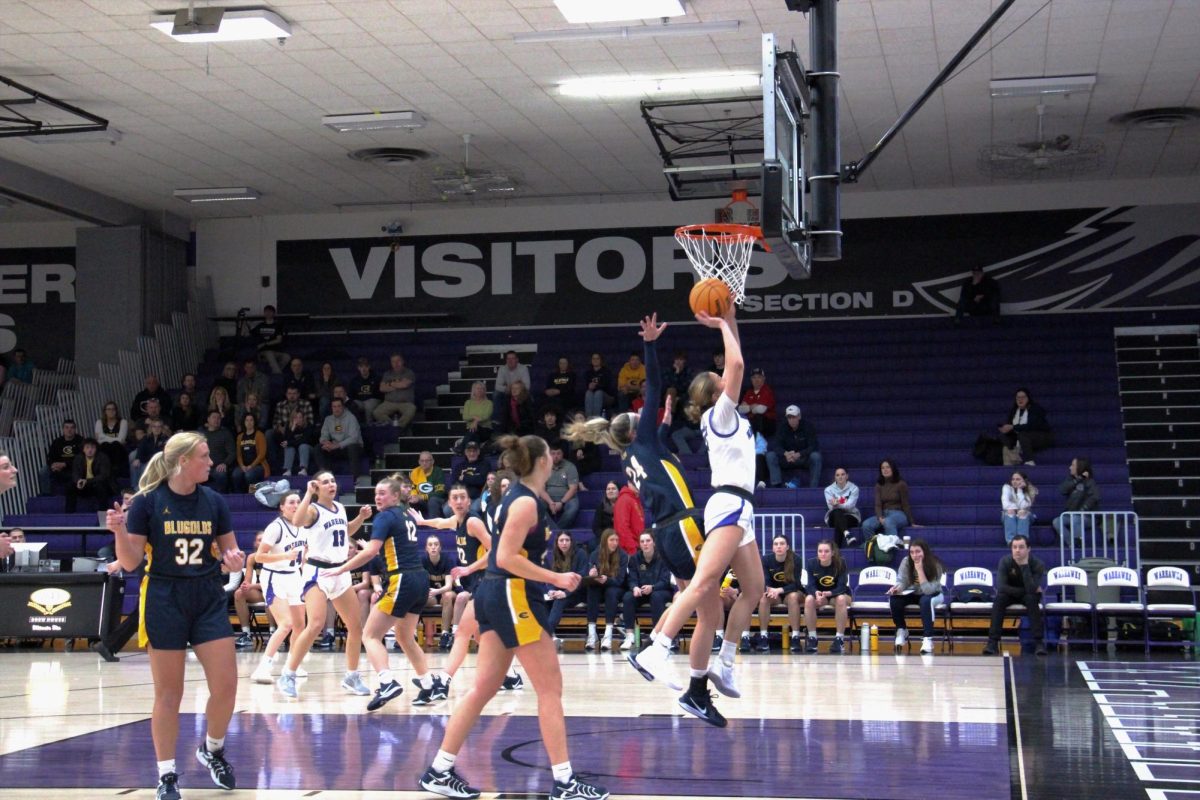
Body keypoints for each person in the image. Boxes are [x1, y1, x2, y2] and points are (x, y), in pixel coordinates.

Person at [417, 435, 606, 800]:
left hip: (496, 593)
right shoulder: (524, 503)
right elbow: (503, 557)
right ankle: (565, 782)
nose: (553, 458)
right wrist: (555, 578)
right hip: (511, 594)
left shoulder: (518, 497)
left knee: (484, 687)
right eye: (549, 454)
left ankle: (439, 769)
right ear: (540, 462)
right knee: (550, 689)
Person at [626, 307, 761, 729]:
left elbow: (737, 357)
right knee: (703, 586)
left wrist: (731, 316)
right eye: (722, 379)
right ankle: (658, 647)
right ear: (716, 391)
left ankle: (723, 662)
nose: (728, 376)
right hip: (722, 506)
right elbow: (736, 361)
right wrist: (720, 326)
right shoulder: (719, 415)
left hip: (741, 508)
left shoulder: (725, 417)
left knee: (753, 587)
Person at [104, 431, 245, 800]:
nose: (211, 462)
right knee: (170, 693)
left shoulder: (214, 501)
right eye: (204, 456)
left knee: (227, 685)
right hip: (164, 598)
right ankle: (166, 774)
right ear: (182, 461)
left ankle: (212, 750)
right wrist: (119, 531)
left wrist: (235, 561)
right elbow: (133, 561)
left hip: (207, 597)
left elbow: (232, 552)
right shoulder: (148, 503)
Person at [325, 476, 444, 710]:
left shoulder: (385, 517)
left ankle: (386, 682)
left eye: (383, 493)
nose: (377, 497)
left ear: (396, 496)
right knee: (405, 637)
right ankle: (429, 685)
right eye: (376, 493)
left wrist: (340, 568)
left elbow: (371, 552)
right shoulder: (405, 514)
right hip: (419, 579)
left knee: (369, 635)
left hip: (403, 579)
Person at [419, 482, 522, 698]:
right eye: (454, 497)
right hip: (479, 582)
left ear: (468, 501)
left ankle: (444, 682)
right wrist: (421, 521)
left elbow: (495, 551)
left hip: (487, 580)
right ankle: (511, 675)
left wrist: (469, 568)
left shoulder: (473, 521)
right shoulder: (457, 520)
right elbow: (440, 522)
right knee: (478, 634)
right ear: (449, 502)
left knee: (463, 632)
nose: (458, 501)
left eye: (462, 497)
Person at [276, 472, 373, 699]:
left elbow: (345, 531)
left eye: (333, 480)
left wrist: (360, 517)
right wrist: (308, 493)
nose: (331, 484)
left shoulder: (339, 507)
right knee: (316, 624)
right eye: (326, 482)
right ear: (317, 487)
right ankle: (288, 674)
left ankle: (351, 676)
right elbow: (296, 521)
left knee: (355, 626)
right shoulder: (312, 510)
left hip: (340, 571)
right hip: (317, 571)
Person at [248, 489, 310, 682]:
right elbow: (259, 556)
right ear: (282, 507)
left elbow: (304, 551)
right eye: (291, 502)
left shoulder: (304, 526)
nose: (295, 505)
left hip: (294, 576)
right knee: (286, 624)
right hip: (274, 577)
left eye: (298, 501)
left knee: (300, 625)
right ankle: (263, 668)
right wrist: (284, 556)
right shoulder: (276, 527)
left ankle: (292, 664)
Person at [982, 535, 1047, 656]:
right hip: (1010, 594)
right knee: (999, 599)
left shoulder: (1038, 564)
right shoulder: (1005, 561)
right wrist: (1027, 590)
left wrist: (1024, 566)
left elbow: (1032, 589)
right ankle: (992, 642)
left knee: (1032, 599)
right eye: (1014, 547)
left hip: (1028, 596)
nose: (1017, 550)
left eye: (1021, 547)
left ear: (1028, 549)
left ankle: (1039, 643)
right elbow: (1001, 587)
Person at [887, 539, 946, 654]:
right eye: (912, 552)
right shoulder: (906, 562)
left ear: (925, 552)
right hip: (915, 593)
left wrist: (919, 570)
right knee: (895, 599)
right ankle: (902, 629)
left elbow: (928, 590)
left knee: (925, 601)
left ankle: (928, 639)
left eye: (918, 551)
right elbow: (903, 581)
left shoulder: (935, 564)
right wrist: (897, 588)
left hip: (934, 594)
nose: (915, 555)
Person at [621, 531, 673, 651]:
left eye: (648, 541)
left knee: (656, 597)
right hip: (641, 592)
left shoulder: (663, 557)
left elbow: (666, 580)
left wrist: (653, 587)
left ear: (654, 543)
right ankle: (629, 636)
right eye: (642, 541)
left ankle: (657, 636)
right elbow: (631, 578)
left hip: (660, 590)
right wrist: (634, 587)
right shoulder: (634, 558)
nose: (645, 544)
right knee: (628, 597)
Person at [802, 539, 851, 653]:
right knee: (809, 599)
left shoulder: (841, 563)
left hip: (838, 594)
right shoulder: (811, 563)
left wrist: (830, 593)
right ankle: (813, 637)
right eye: (820, 551)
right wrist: (816, 593)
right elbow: (810, 585)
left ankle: (839, 638)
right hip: (821, 596)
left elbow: (842, 586)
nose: (823, 554)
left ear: (832, 553)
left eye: (826, 551)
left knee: (841, 599)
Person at [756, 535, 803, 653]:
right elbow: (765, 581)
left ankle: (796, 636)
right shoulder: (766, 560)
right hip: (773, 594)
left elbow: (796, 584)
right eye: (776, 544)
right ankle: (763, 636)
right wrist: (770, 590)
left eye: (782, 544)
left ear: (787, 547)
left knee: (793, 597)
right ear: (772, 548)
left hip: (791, 592)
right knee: (763, 598)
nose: (779, 546)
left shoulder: (796, 559)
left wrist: (779, 590)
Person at [584, 529, 628, 651]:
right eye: (611, 540)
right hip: (599, 588)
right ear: (604, 541)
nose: (615, 543)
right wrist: (592, 574)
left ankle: (608, 635)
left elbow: (620, 580)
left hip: (617, 588)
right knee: (592, 589)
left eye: (616, 540)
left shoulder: (623, 555)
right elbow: (587, 575)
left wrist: (607, 579)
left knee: (611, 592)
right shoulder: (595, 554)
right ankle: (592, 634)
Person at [545, 530, 590, 645]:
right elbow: (551, 576)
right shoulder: (555, 555)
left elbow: (581, 579)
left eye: (567, 540)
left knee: (559, 601)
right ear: (557, 542)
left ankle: (546, 636)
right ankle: (551, 636)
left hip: (579, 593)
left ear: (571, 542)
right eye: (561, 540)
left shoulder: (581, 554)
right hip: (561, 591)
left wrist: (565, 593)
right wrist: (551, 590)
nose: (564, 543)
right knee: (545, 602)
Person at [766, 405, 822, 489]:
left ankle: (813, 487)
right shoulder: (782, 427)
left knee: (816, 456)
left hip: (803, 458)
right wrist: (785, 453)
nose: (791, 420)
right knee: (770, 455)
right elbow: (776, 445)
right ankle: (776, 485)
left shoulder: (808, 427)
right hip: (788, 458)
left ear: (799, 416)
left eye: (794, 417)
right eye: (789, 417)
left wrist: (799, 454)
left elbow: (813, 446)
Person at [860, 459, 913, 542]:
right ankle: (874, 548)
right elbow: (878, 504)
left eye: (887, 467)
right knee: (866, 524)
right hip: (884, 514)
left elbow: (905, 504)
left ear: (893, 468)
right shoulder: (879, 485)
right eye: (882, 468)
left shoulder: (901, 484)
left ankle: (892, 548)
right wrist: (879, 516)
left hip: (899, 514)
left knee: (888, 522)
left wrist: (911, 522)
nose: (885, 470)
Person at [997, 388, 1053, 466]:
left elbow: (1031, 426)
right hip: (1020, 438)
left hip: (1040, 436)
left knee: (1023, 435)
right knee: (1003, 437)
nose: (1020, 399)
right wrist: (1005, 429)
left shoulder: (1035, 409)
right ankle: (1012, 462)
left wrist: (1013, 427)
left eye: (1023, 397)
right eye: (1018, 398)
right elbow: (1012, 426)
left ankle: (1029, 461)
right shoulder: (1014, 411)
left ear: (1028, 398)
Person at [232, 532, 268, 649]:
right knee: (239, 594)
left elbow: (272, 584)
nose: (261, 542)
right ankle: (246, 634)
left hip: (275, 590)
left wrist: (252, 586)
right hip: (259, 592)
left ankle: (273, 632)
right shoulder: (252, 558)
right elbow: (247, 581)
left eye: (264, 539)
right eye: (259, 540)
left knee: (271, 593)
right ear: (255, 543)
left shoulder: (274, 555)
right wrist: (245, 586)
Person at [422, 535, 457, 650]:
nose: (433, 547)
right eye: (430, 545)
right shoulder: (422, 561)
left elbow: (448, 586)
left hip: (446, 592)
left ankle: (445, 634)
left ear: (440, 548)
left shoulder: (448, 560)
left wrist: (437, 591)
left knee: (447, 596)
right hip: (431, 594)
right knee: (416, 597)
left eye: (436, 544)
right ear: (426, 548)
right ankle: (412, 632)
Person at [1052, 457, 1101, 540]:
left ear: (1080, 467)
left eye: (1073, 465)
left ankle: (1079, 542)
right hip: (1071, 514)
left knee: (1076, 518)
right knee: (1057, 521)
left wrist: (1082, 510)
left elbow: (1094, 497)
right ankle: (1072, 543)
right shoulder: (1070, 480)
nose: (1070, 467)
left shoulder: (1090, 482)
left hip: (1088, 516)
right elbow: (1062, 490)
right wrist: (1078, 479)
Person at [316, 397, 364, 479]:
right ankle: (324, 475)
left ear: (343, 407)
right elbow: (323, 435)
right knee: (318, 448)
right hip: (336, 448)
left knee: (352, 447)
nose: (336, 409)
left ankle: (354, 478)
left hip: (352, 447)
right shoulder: (328, 419)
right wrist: (325, 442)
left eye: (339, 406)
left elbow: (354, 438)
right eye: (334, 407)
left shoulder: (351, 417)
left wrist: (338, 445)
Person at [66, 439, 116, 513]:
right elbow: (75, 473)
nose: (90, 450)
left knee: (100, 486)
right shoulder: (78, 458)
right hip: (85, 485)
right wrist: (78, 480)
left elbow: (104, 475)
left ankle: (103, 513)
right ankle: (69, 514)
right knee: (70, 486)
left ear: (96, 449)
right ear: (83, 449)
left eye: (92, 447)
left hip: (99, 484)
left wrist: (87, 481)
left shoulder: (102, 457)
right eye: (87, 447)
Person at [372, 353, 417, 430]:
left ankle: (399, 427)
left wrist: (389, 384)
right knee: (377, 412)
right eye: (393, 361)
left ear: (403, 361)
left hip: (406, 403)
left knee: (412, 409)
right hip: (389, 402)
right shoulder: (387, 374)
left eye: (398, 361)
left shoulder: (409, 372)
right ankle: (392, 426)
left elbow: (404, 385)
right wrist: (398, 384)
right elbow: (382, 388)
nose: (396, 363)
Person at [542, 442, 580, 529]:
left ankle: (557, 531)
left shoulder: (570, 467)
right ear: (549, 454)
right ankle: (555, 530)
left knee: (573, 507)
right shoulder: (544, 467)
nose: (556, 456)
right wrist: (550, 502)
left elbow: (573, 488)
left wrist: (562, 502)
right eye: (553, 453)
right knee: (537, 505)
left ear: (562, 454)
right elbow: (541, 489)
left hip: (567, 499)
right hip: (548, 498)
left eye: (558, 453)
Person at [41, 419, 82, 496]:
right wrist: (53, 465)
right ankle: (46, 496)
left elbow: (81, 459)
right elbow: (50, 457)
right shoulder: (57, 442)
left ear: (75, 429)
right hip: (58, 467)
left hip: (73, 467)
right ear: (63, 429)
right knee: (44, 471)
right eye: (67, 427)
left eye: (72, 428)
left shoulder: (80, 441)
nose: (69, 430)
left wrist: (65, 464)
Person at [824, 467, 862, 548]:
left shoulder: (854, 488)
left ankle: (836, 550)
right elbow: (831, 507)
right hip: (833, 517)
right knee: (837, 513)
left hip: (851, 515)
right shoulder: (828, 490)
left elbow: (850, 506)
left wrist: (837, 504)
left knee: (839, 522)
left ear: (847, 476)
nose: (840, 477)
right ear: (835, 477)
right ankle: (847, 535)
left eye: (842, 474)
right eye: (837, 475)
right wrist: (837, 505)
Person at [491, 350, 531, 423]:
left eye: (512, 358)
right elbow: (497, 386)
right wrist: (507, 388)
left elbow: (527, 386)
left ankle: (526, 421)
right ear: (506, 360)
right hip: (508, 391)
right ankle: (496, 420)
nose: (510, 361)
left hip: (520, 392)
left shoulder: (523, 368)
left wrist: (515, 388)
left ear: (517, 360)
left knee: (528, 396)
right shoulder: (502, 369)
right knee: (496, 394)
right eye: (508, 359)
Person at [232, 413, 269, 493]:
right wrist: (242, 466)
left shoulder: (259, 435)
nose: (249, 422)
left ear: (254, 422)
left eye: (251, 420)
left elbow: (262, 454)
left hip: (258, 466)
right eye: (247, 420)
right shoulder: (240, 437)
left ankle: (252, 494)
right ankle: (240, 496)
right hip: (244, 466)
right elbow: (238, 454)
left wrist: (251, 466)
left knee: (249, 475)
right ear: (244, 422)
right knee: (235, 474)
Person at [202, 411, 236, 493]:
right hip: (204, 466)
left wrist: (225, 463)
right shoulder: (202, 435)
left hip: (219, 466)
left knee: (221, 474)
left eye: (219, 418)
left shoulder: (226, 434)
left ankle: (222, 498)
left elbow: (232, 453)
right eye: (214, 417)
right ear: (208, 419)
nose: (216, 420)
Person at [132, 418, 170, 488]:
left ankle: (142, 488)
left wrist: (144, 459)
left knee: (145, 467)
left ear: (162, 428)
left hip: (159, 462)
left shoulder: (165, 438)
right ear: (151, 428)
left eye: (159, 427)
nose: (156, 429)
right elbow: (141, 448)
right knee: (135, 465)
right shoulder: (146, 437)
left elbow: (158, 453)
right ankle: (134, 487)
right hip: (147, 459)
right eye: (154, 426)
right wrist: (137, 458)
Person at [95, 401, 130, 478]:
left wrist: (103, 437)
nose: (111, 411)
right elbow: (98, 440)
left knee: (115, 444)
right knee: (105, 445)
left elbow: (121, 440)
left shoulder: (123, 422)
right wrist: (116, 439)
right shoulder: (99, 422)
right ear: (105, 411)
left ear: (116, 411)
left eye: (113, 409)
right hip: (105, 448)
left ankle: (115, 470)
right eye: (109, 409)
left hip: (119, 450)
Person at [739, 367, 777, 437]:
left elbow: (761, 410)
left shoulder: (767, 391)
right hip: (751, 422)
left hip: (766, 424)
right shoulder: (749, 392)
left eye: (759, 377)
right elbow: (740, 409)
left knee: (758, 417)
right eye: (754, 377)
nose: (756, 380)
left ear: (763, 379)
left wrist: (748, 408)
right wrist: (752, 407)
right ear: (751, 379)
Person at [251, 304, 289, 374]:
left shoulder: (277, 326)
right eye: (266, 311)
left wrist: (265, 343)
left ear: (273, 313)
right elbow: (250, 333)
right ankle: (278, 374)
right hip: (263, 353)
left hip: (275, 351)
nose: (268, 313)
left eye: (270, 311)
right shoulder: (260, 325)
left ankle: (275, 372)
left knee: (286, 357)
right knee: (269, 353)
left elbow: (279, 340)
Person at [1002, 471, 1038, 543]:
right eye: (1013, 479)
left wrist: (1019, 490)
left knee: (1022, 512)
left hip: (1026, 516)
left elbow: (1023, 506)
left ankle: (1023, 541)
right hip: (1009, 516)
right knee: (1010, 511)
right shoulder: (1006, 487)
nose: (1014, 481)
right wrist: (1016, 510)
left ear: (1024, 480)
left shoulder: (1031, 489)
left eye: (1018, 479)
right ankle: (1011, 542)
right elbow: (1005, 505)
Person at [411, 451, 449, 518]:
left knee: (433, 500)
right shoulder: (415, 472)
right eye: (422, 461)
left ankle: (434, 525)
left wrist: (422, 497)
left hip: (437, 500)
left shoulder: (438, 471)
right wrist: (413, 497)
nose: (424, 463)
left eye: (427, 461)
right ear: (419, 462)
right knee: (409, 500)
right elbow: (413, 488)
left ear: (432, 461)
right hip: (422, 501)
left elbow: (440, 492)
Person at [281, 408, 316, 476]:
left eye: (300, 417)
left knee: (303, 446)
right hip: (295, 450)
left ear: (303, 418)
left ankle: (304, 469)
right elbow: (285, 441)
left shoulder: (308, 426)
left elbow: (305, 440)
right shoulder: (289, 427)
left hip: (308, 449)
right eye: (296, 417)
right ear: (292, 419)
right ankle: (288, 470)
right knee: (289, 448)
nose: (298, 419)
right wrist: (293, 428)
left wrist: (290, 443)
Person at [612, 480, 644, 555]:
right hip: (629, 550)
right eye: (635, 482)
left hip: (636, 546)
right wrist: (633, 548)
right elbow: (622, 527)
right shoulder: (625, 500)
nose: (638, 485)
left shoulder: (634, 499)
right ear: (629, 482)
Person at [460, 381, 493, 448]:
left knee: (473, 432)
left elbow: (485, 416)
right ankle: (476, 454)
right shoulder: (468, 403)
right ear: (473, 390)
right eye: (477, 388)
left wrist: (475, 421)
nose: (480, 390)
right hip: (471, 430)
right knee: (474, 436)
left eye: (482, 388)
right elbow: (465, 417)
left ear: (485, 391)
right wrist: (475, 417)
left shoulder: (489, 403)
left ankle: (461, 447)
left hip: (485, 430)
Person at [347, 357, 381, 422]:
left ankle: (369, 426)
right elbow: (351, 395)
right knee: (351, 404)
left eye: (366, 366)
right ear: (358, 368)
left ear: (369, 367)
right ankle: (355, 426)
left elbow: (380, 395)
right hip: (361, 402)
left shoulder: (377, 378)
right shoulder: (354, 381)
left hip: (373, 401)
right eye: (361, 366)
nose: (363, 368)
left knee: (369, 404)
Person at [582, 352, 614, 419]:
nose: (595, 360)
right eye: (593, 359)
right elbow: (584, 386)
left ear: (601, 360)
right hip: (592, 395)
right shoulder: (588, 373)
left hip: (606, 396)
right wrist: (589, 386)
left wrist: (596, 386)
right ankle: (589, 419)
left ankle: (596, 420)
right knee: (588, 393)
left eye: (597, 358)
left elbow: (609, 387)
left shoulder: (606, 371)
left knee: (598, 393)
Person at [591, 481, 619, 549]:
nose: (610, 491)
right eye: (608, 489)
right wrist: (606, 538)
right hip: (604, 536)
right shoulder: (601, 506)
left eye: (613, 489)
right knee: (592, 544)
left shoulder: (625, 505)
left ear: (619, 491)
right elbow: (596, 527)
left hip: (620, 536)